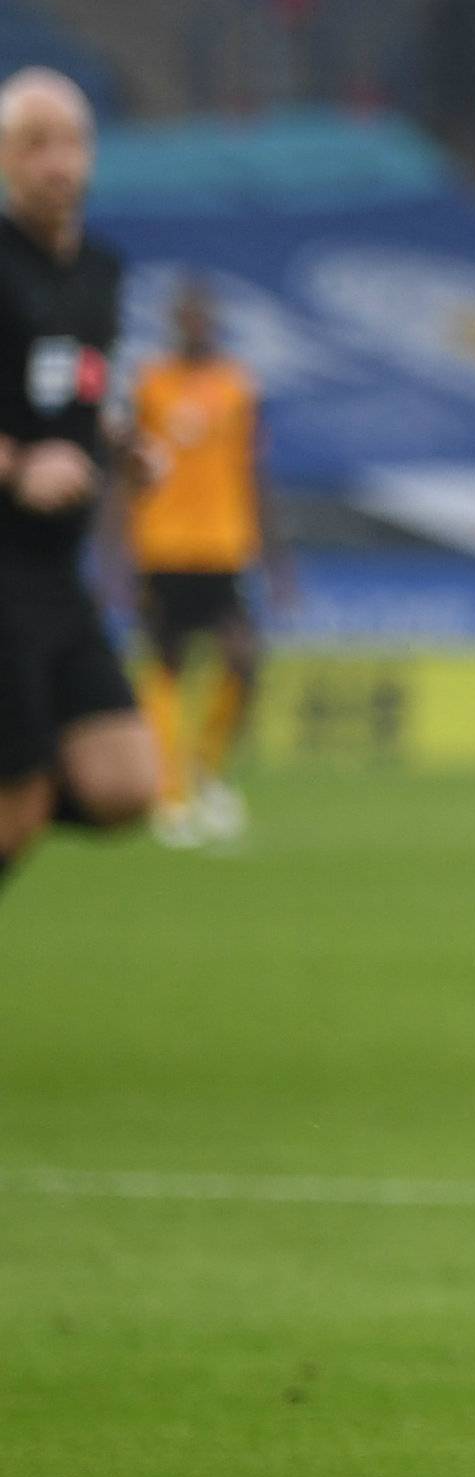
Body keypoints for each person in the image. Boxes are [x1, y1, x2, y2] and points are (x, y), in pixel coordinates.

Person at [0, 67, 154, 897]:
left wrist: (121, 445)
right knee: (16, 808)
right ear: (3, 159)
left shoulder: (100, 271)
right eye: (34, 144)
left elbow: (78, 392)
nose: (56, 161)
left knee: (125, 782)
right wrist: (18, 465)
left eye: (70, 142)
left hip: (58, 575)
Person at [119, 275, 270, 847]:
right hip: (162, 545)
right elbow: (123, 474)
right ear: (174, 322)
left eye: (203, 316)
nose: (196, 326)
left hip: (225, 546)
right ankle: (170, 791)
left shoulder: (237, 385)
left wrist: (276, 559)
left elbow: (252, 470)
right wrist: (115, 555)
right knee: (166, 662)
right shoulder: (150, 382)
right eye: (187, 316)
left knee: (244, 657)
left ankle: (206, 767)